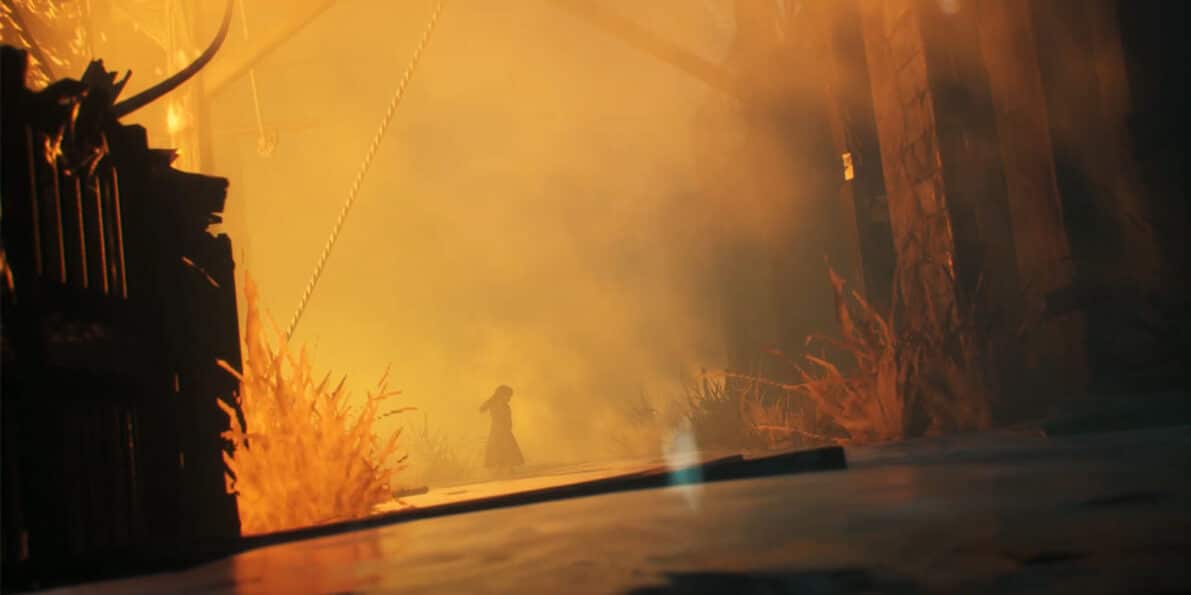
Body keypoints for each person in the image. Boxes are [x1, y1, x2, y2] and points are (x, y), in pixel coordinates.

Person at [479, 385, 524, 473]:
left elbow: (507, 417)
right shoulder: (494, 403)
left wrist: (509, 425)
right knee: (501, 447)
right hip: (498, 429)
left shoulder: (502, 404)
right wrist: (489, 403)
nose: (509, 398)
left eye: (510, 396)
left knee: (504, 447)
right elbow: (481, 409)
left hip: (503, 428)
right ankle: (502, 469)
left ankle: (507, 468)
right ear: (501, 394)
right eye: (508, 395)